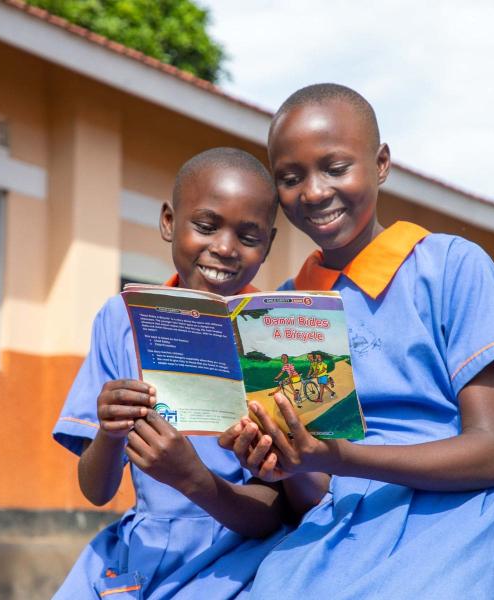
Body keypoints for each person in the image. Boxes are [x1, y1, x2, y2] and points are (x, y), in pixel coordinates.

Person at [221, 84, 494, 599]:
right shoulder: (286, 308)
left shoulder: (451, 266)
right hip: (337, 532)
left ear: (382, 163)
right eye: (290, 178)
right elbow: (313, 490)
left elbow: (491, 452)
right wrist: (289, 461)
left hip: (453, 526)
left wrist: (338, 457)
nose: (314, 192)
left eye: (336, 168)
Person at [52, 148, 313, 599]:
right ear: (170, 222)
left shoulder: (274, 335)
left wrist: (192, 479)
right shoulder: (121, 319)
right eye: (206, 226)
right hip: (142, 548)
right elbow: (95, 491)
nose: (225, 248)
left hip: (236, 556)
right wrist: (111, 433)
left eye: (248, 237)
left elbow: (274, 513)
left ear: (268, 245)